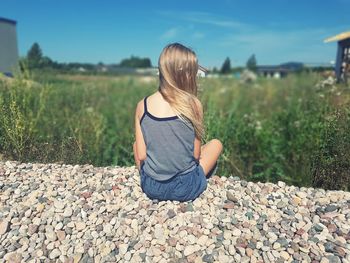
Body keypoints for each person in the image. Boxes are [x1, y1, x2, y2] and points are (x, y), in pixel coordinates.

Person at [133, 43, 223, 202]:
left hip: (152, 187)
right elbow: (196, 155)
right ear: (187, 76)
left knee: (136, 145)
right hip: (186, 188)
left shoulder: (142, 106)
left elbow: (141, 154)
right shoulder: (194, 105)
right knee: (216, 144)